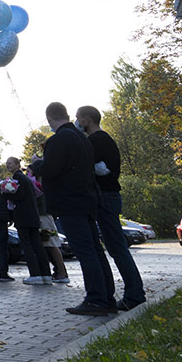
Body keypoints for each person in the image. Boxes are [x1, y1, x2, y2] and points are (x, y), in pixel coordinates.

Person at [39, 102, 117, 316]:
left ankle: (96, 299)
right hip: (88, 200)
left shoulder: (58, 140)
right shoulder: (83, 138)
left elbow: (52, 169)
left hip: (70, 202)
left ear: (50, 119)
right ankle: (106, 297)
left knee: (85, 251)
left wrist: (38, 165)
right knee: (95, 250)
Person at [79, 105, 145, 310]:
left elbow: (87, 166)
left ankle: (134, 294)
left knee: (117, 248)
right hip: (109, 196)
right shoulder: (105, 140)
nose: (77, 122)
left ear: (87, 119)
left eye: (78, 118)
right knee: (116, 247)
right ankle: (134, 293)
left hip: (105, 197)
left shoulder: (96, 141)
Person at [5, 156, 49, 284]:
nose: (8, 165)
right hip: (32, 216)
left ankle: (35, 274)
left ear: (17, 164)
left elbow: (19, 195)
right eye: (7, 163)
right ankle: (45, 274)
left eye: (10, 163)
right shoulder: (26, 178)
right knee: (37, 244)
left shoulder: (18, 178)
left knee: (27, 245)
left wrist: (6, 193)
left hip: (23, 216)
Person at [30, 159, 72, 283]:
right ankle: (59, 271)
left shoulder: (41, 184)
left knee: (52, 244)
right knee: (48, 245)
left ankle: (62, 272)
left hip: (45, 216)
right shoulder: (41, 182)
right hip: (45, 215)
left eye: (29, 171)